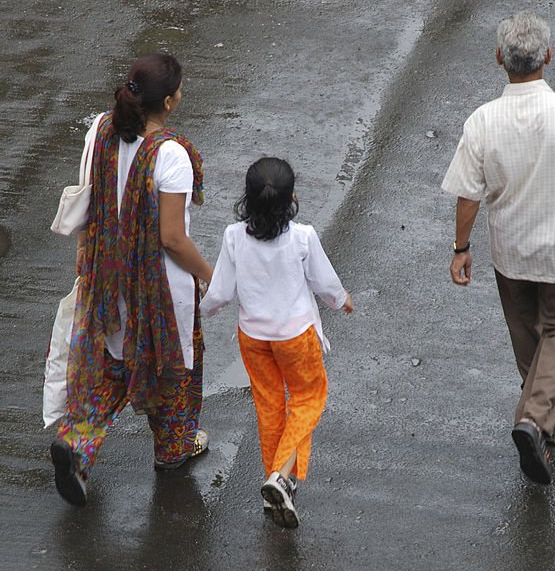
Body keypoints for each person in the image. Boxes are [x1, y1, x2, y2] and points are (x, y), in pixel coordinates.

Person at [442, 11, 555, 485]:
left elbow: (467, 192)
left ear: (500, 58)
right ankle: (535, 417)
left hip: (511, 253)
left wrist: (461, 247)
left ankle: (540, 418)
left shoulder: (482, 121)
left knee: (527, 335)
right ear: (548, 55)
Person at [51, 52, 214, 506]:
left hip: (107, 279)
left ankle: (77, 443)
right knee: (171, 369)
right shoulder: (172, 156)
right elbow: (173, 239)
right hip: (159, 291)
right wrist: (211, 276)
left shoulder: (101, 128)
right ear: (170, 101)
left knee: (112, 367)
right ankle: (174, 448)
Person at [200, 157, 352, 529]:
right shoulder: (302, 238)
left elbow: (220, 291)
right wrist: (341, 299)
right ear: (292, 198)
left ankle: (277, 484)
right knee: (308, 398)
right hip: (295, 336)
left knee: (269, 407)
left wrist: (201, 311)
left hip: (253, 336)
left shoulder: (234, 237)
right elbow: (324, 282)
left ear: (247, 200)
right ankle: (281, 477)